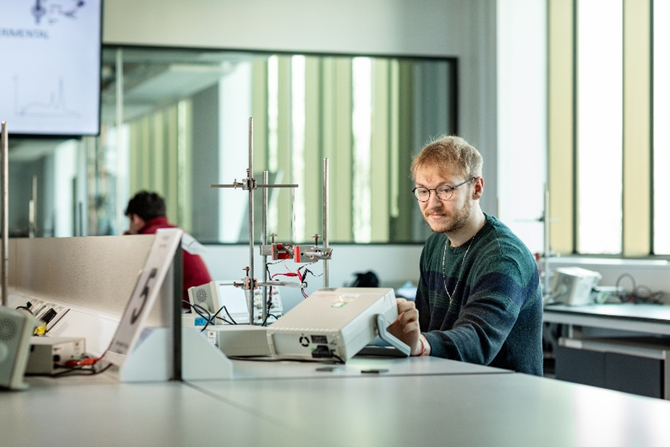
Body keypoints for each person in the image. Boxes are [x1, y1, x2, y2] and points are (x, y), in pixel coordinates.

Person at [389, 135, 543, 375]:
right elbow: (423, 330)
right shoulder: (434, 247)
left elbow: (478, 339)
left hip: (506, 403)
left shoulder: (503, 257)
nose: (432, 203)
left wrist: (419, 344)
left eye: (446, 189)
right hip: (452, 389)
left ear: (477, 188)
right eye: (423, 191)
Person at [125, 191, 212, 307]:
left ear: (135, 219)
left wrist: (127, 240)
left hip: (184, 308)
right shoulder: (174, 232)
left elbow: (134, 279)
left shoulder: (150, 237)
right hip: (204, 305)